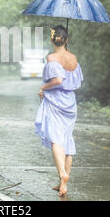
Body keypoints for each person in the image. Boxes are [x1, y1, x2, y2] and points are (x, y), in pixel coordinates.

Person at [35, 25, 83, 197]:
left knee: (56, 140)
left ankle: (63, 174)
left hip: (56, 102)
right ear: (66, 40)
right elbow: (75, 81)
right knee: (67, 139)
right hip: (70, 103)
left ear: (53, 40)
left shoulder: (52, 57)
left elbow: (58, 80)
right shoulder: (73, 58)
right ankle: (63, 181)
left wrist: (43, 87)